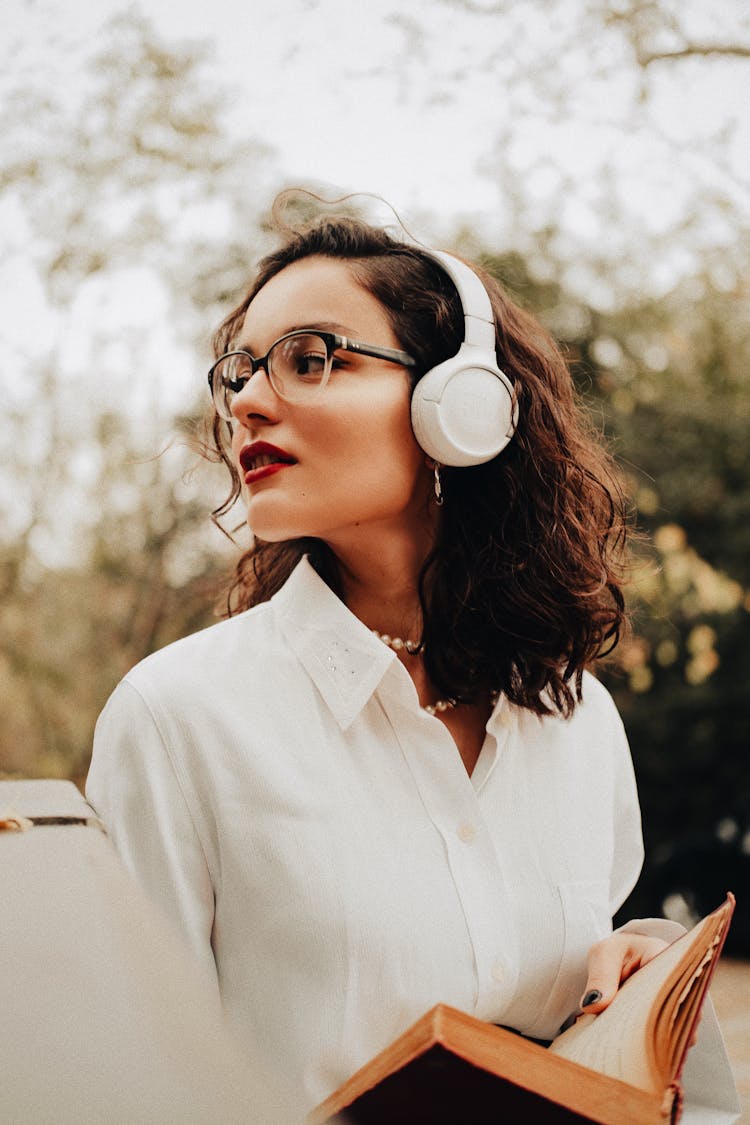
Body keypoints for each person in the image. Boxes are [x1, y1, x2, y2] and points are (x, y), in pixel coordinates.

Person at [86, 201, 739, 1121]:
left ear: (460, 405)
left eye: (311, 358)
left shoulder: (579, 718)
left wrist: (633, 980)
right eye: (239, 372)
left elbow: (581, 1020)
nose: (247, 401)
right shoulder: (176, 718)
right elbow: (132, 1086)